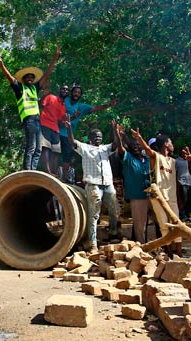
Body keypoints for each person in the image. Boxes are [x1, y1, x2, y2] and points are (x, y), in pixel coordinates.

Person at [0, 47, 61, 170]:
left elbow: (46, 75)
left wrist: (55, 58)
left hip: (37, 120)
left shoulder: (35, 88)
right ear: (24, 80)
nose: (30, 78)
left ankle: (33, 170)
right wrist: (1, 65)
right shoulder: (20, 89)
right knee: (31, 146)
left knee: (38, 148)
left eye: (32, 77)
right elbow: (10, 78)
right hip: (29, 121)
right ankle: (27, 170)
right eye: (27, 77)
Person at [63, 119, 119, 250]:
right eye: (95, 136)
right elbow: (72, 142)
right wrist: (69, 128)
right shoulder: (85, 148)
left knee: (114, 209)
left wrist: (115, 130)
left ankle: (113, 233)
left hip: (107, 183)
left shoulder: (105, 149)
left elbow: (116, 144)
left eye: (100, 136)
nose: (98, 138)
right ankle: (93, 242)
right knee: (94, 214)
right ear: (90, 138)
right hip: (93, 184)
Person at [132, 130, 183, 256]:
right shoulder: (156, 157)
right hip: (159, 197)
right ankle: (169, 253)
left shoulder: (173, 161)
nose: (172, 145)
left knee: (177, 224)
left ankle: (179, 252)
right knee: (164, 225)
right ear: (166, 144)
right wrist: (139, 138)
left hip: (172, 197)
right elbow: (148, 150)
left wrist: (179, 197)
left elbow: (175, 181)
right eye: (170, 142)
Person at [58, 85, 117, 183]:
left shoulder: (81, 107)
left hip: (68, 135)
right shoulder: (65, 101)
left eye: (79, 93)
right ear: (71, 92)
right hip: (56, 130)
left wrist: (109, 105)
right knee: (54, 152)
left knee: (67, 155)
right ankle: (51, 173)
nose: (76, 94)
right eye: (75, 92)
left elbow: (96, 108)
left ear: (80, 95)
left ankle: (64, 178)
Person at [112, 121, 150, 244]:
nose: (136, 148)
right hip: (137, 196)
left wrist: (131, 137)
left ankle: (159, 245)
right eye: (134, 147)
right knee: (140, 225)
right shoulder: (128, 159)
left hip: (153, 196)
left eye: (139, 146)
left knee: (153, 223)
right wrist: (117, 134)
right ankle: (142, 248)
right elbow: (120, 147)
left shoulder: (148, 160)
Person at [39, 85, 68, 176]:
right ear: (59, 90)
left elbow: (61, 121)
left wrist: (71, 118)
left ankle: (53, 172)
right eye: (63, 88)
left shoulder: (63, 106)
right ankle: (47, 171)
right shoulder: (50, 97)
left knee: (56, 150)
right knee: (46, 148)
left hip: (55, 128)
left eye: (67, 90)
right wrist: (44, 94)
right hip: (45, 124)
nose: (65, 90)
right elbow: (40, 104)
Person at [175, 145, 191, 221]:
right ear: (180, 151)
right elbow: (175, 172)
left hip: (190, 182)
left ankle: (188, 215)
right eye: (183, 150)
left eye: (186, 150)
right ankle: (182, 215)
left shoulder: (189, 160)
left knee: (189, 200)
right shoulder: (177, 161)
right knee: (183, 199)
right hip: (182, 182)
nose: (185, 152)